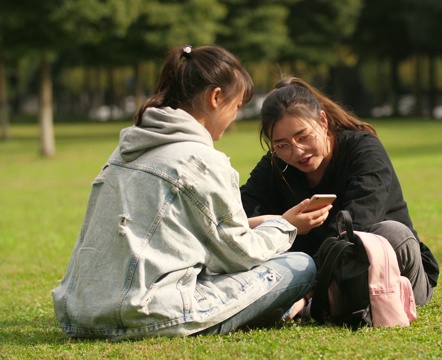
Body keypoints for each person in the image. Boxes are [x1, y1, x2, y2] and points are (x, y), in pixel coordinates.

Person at [51, 46, 332, 340]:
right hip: (145, 315)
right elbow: (239, 256)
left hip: (80, 314)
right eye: (236, 106)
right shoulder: (201, 160)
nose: (235, 117)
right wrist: (285, 226)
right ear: (216, 97)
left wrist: (259, 223)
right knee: (299, 265)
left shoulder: (124, 150)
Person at [240, 77, 440, 307]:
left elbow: (356, 226)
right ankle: (324, 302)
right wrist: (281, 222)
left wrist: (308, 282)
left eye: (303, 136)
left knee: (391, 234)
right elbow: (236, 217)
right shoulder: (275, 166)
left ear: (323, 121)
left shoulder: (364, 150)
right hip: (314, 274)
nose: (297, 151)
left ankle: (314, 302)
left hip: (381, 267)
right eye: (282, 145)